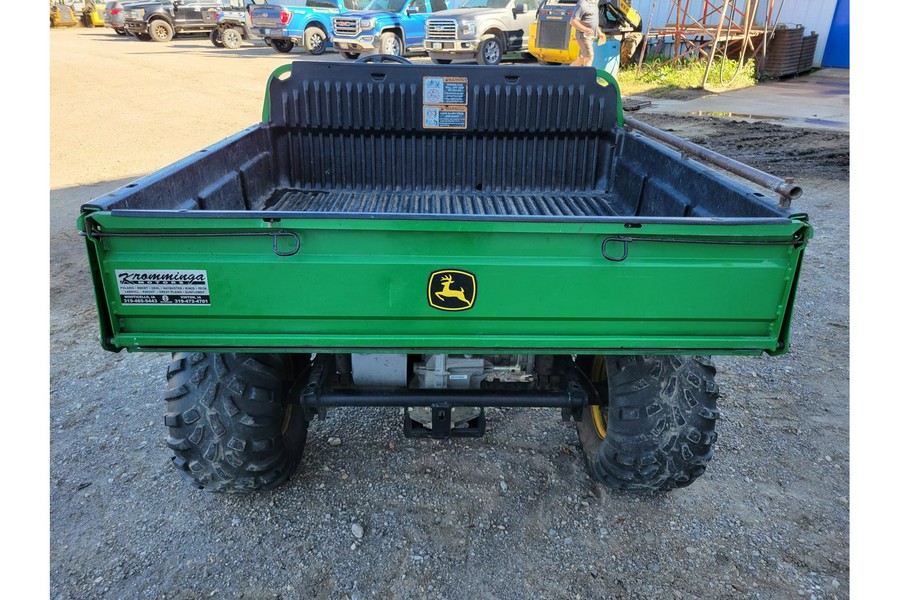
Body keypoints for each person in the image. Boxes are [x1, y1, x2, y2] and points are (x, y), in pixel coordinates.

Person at [570, 0, 606, 67]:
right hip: (583, 36)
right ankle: (587, 77)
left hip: (590, 37)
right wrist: (585, 29)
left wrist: (599, 33)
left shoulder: (594, 4)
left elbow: (592, 22)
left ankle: (567, 74)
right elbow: (573, 21)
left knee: (580, 60)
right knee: (589, 57)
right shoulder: (582, 4)